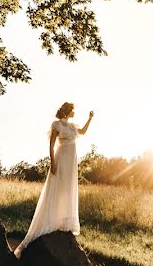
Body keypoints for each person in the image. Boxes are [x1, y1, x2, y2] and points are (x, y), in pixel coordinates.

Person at [13, 102, 93, 258]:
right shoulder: (56, 124)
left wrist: (90, 119)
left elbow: (82, 131)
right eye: (73, 111)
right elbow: (51, 144)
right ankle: (49, 222)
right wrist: (52, 162)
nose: (74, 113)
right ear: (67, 111)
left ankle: (63, 221)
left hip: (72, 160)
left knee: (68, 189)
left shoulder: (72, 126)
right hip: (61, 157)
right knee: (57, 188)